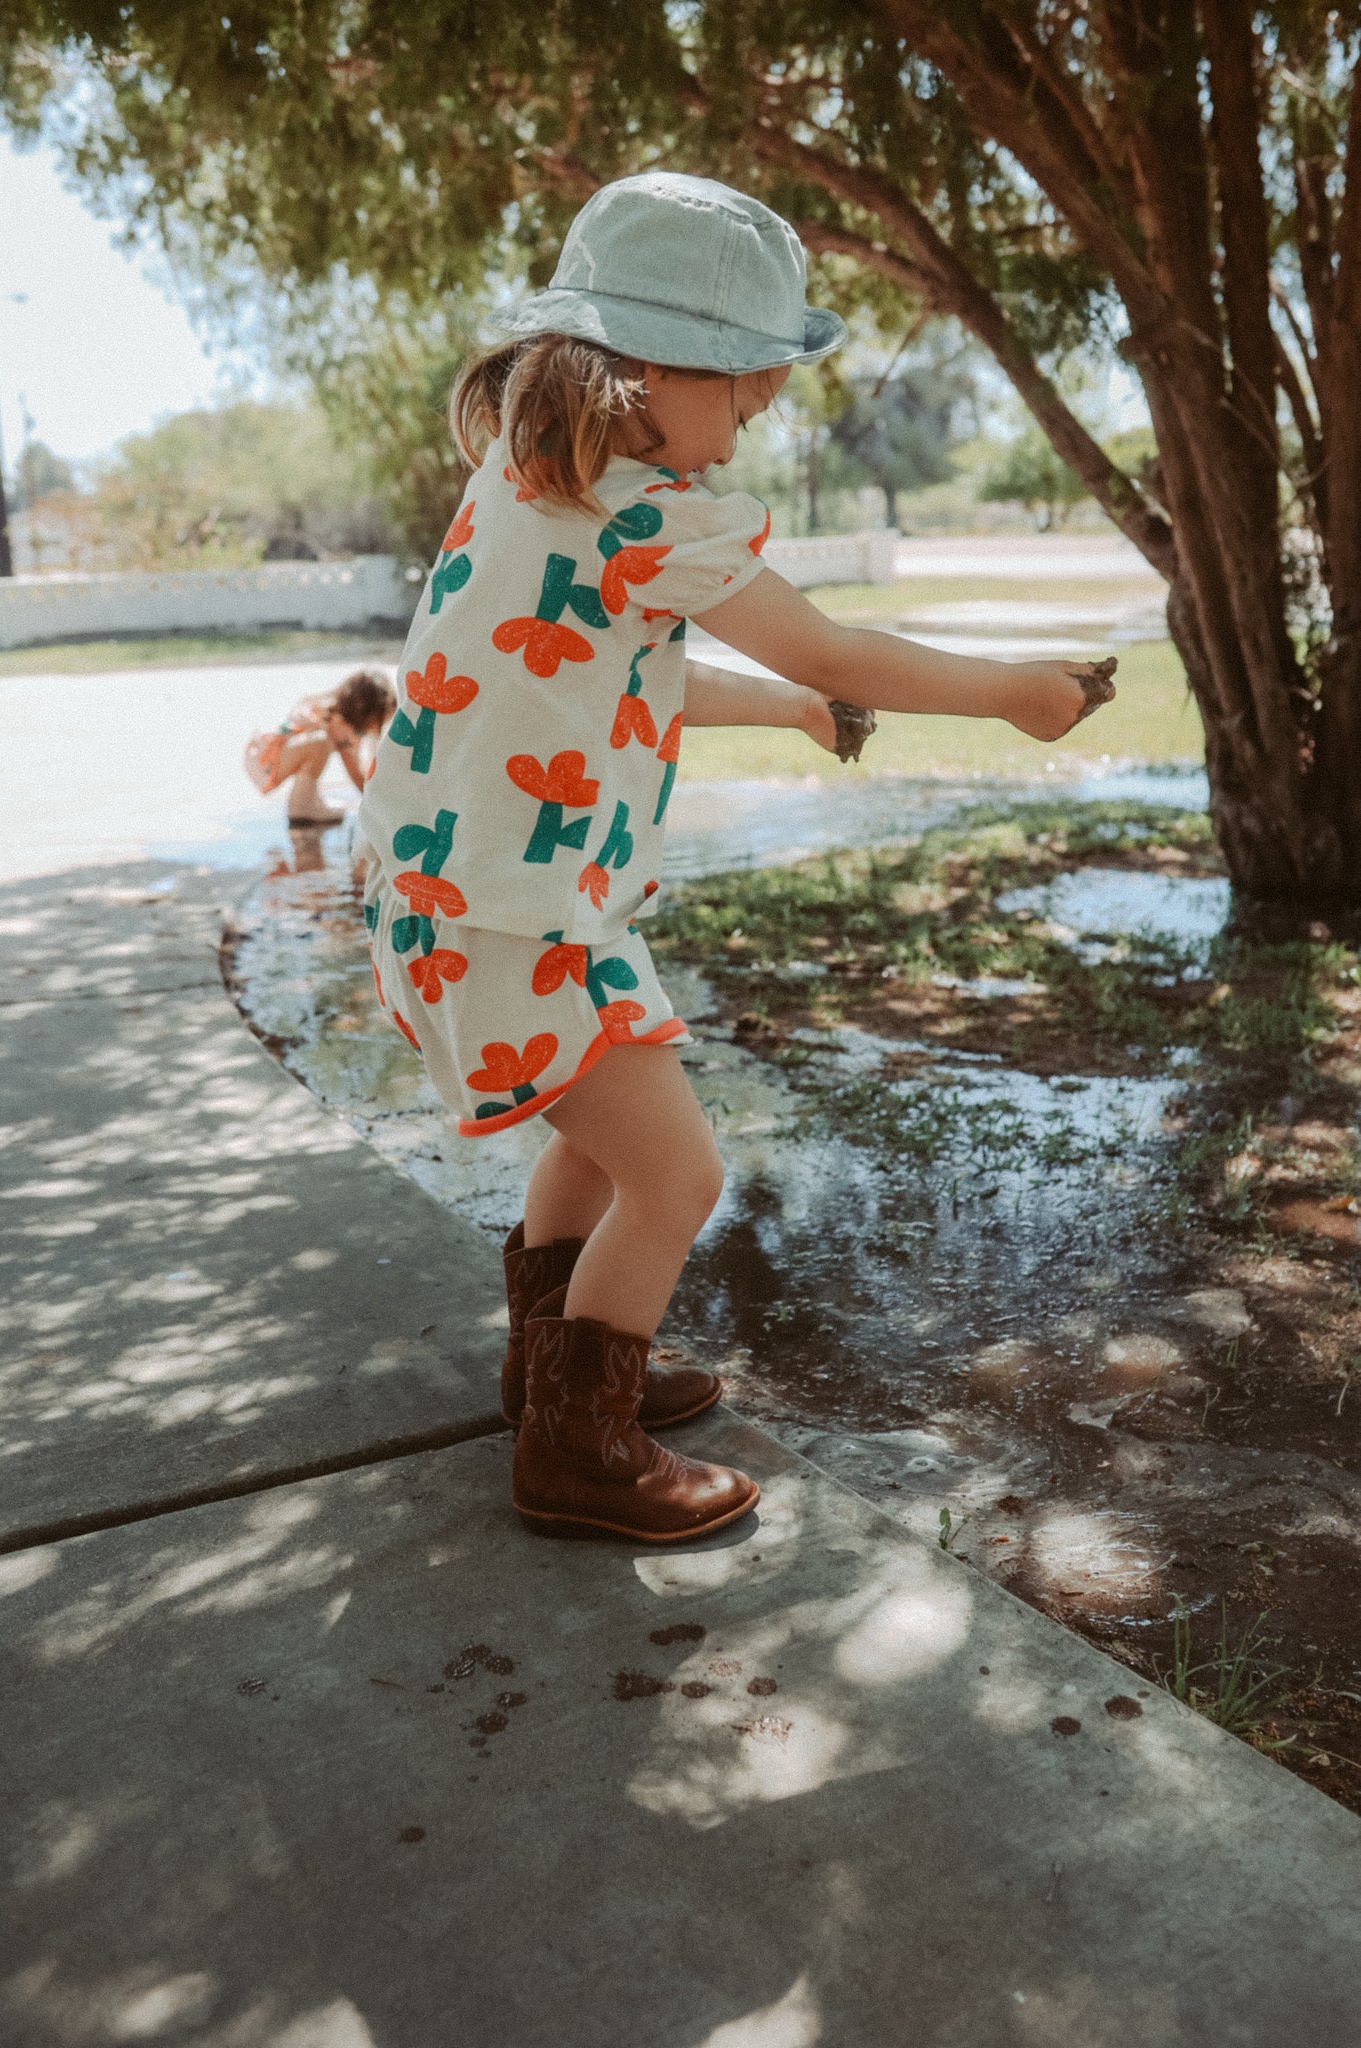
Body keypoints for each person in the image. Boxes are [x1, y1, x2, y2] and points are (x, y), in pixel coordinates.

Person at [356, 171, 1115, 1546]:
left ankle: (559, 1368)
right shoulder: (647, 510)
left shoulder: (528, 490)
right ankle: (578, 1449)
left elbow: (617, 675)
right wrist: (1011, 687)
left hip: (472, 898)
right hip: (511, 916)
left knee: (596, 1145)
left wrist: (789, 708)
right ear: (651, 369)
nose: (748, 430)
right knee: (676, 1177)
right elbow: (827, 638)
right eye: (746, 397)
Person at [245, 668, 397, 826]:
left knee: (320, 745)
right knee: (321, 743)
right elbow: (355, 771)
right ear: (368, 712)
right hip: (264, 762)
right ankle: (302, 806)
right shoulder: (335, 722)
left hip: (261, 754)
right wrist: (377, 807)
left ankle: (308, 800)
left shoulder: (333, 712)